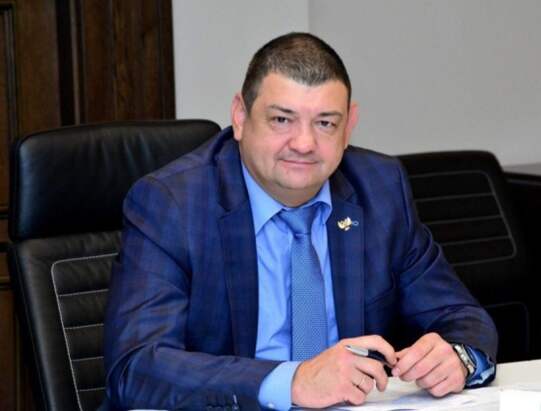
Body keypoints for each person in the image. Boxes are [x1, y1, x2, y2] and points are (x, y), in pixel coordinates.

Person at [103, 32, 497, 411]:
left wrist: (458, 358)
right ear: (240, 116)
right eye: (282, 120)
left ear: (349, 126)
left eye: (325, 123)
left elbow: (462, 317)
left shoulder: (380, 189)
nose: (304, 144)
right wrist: (293, 381)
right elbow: (136, 366)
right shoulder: (174, 203)